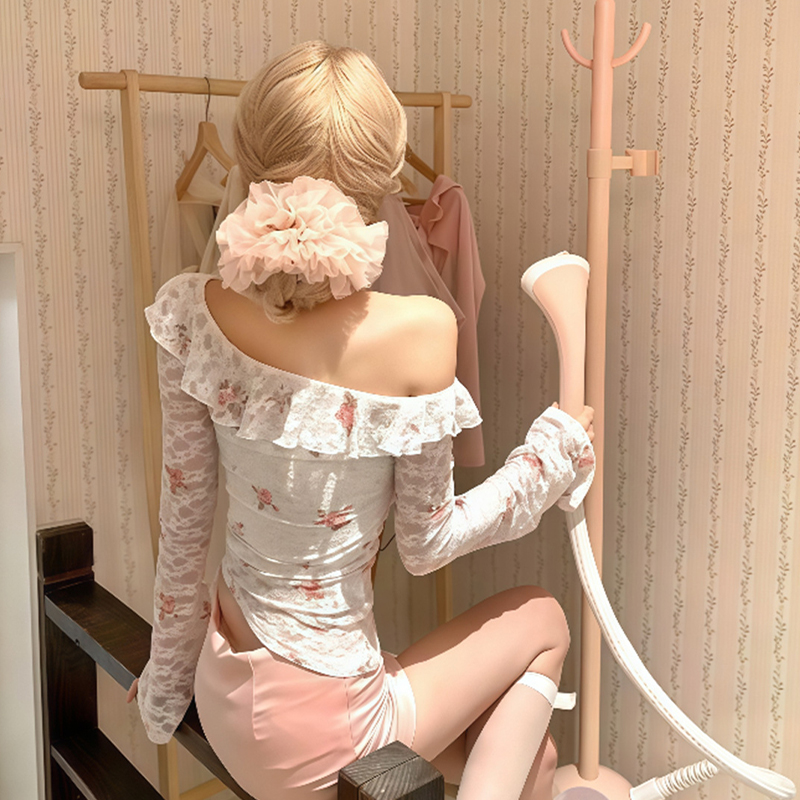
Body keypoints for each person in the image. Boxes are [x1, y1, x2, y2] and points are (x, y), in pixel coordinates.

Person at [127, 40, 595, 800]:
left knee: (533, 761)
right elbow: (427, 544)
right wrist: (550, 456)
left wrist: (162, 693)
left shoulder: (191, 309)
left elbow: (183, 531)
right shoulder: (422, 330)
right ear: (388, 178)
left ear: (248, 158)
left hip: (224, 690)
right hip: (327, 735)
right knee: (543, 619)